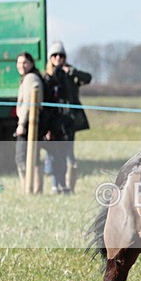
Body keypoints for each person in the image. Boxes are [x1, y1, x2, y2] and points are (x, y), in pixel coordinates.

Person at [44, 41, 92, 194]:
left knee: (67, 154)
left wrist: (72, 72)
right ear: (50, 58)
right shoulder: (46, 77)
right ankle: (54, 185)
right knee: (53, 153)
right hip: (52, 121)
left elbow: (88, 78)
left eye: (61, 55)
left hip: (68, 122)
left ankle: (67, 186)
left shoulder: (70, 74)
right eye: (55, 55)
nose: (58, 58)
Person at [15, 52, 46, 194]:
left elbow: (28, 103)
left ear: (31, 64)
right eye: (19, 62)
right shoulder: (28, 77)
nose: (21, 65)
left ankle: (28, 189)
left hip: (28, 124)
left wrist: (21, 124)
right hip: (31, 123)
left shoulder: (30, 78)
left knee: (22, 157)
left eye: (25, 62)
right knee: (33, 157)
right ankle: (33, 189)